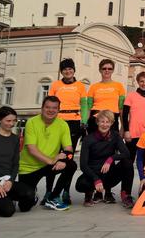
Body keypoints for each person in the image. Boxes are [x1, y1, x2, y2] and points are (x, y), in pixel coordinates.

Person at [17, 96, 77, 211]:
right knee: (24, 207)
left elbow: (68, 148)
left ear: (58, 110)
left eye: (54, 108)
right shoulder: (31, 122)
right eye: (47, 107)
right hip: (29, 168)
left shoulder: (63, 125)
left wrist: (64, 160)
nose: (51, 110)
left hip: (49, 166)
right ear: (42, 108)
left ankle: (53, 197)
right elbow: (31, 149)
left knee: (71, 165)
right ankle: (32, 193)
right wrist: (51, 160)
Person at [46, 57, 87, 205]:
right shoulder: (55, 85)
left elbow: (84, 105)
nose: (67, 71)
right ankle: (48, 191)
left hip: (74, 121)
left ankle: (65, 191)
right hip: (57, 120)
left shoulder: (80, 86)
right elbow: (49, 103)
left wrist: (84, 121)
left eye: (70, 69)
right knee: (53, 156)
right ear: (61, 71)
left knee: (68, 157)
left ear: (74, 70)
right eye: (64, 69)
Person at [76, 110, 134, 208]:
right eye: (102, 121)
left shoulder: (115, 136)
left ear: (111, 123)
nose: (105, 125)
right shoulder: (88, 139)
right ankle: (89, 193)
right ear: (97, 122)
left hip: (109, 175)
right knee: (80, 184)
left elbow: (126, 153)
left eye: (108, 122)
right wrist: (96, 179)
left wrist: (111, 158)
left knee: (127, 162)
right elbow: (83, 165)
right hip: (93, 174)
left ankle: (126, 195)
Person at [121, 72, 145, 189]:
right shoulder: (131, 96)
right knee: (128, 165)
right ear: (137, 82)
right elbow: (125, 115)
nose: (144, 84)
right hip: (132, 134)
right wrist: (126, 131)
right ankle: (126, 192)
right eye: (142, 81)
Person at [86, 59, 126, 133]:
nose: (107, 70)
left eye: (109, 69)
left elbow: (121, 108)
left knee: (112, 144)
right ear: (100, 70)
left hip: (112, 120)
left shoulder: (119, 86)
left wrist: (123, 127)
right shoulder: (93, 87)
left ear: (113, 70)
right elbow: (88, 107)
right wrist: (85, 123)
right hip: (95, 120)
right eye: (104, 68)